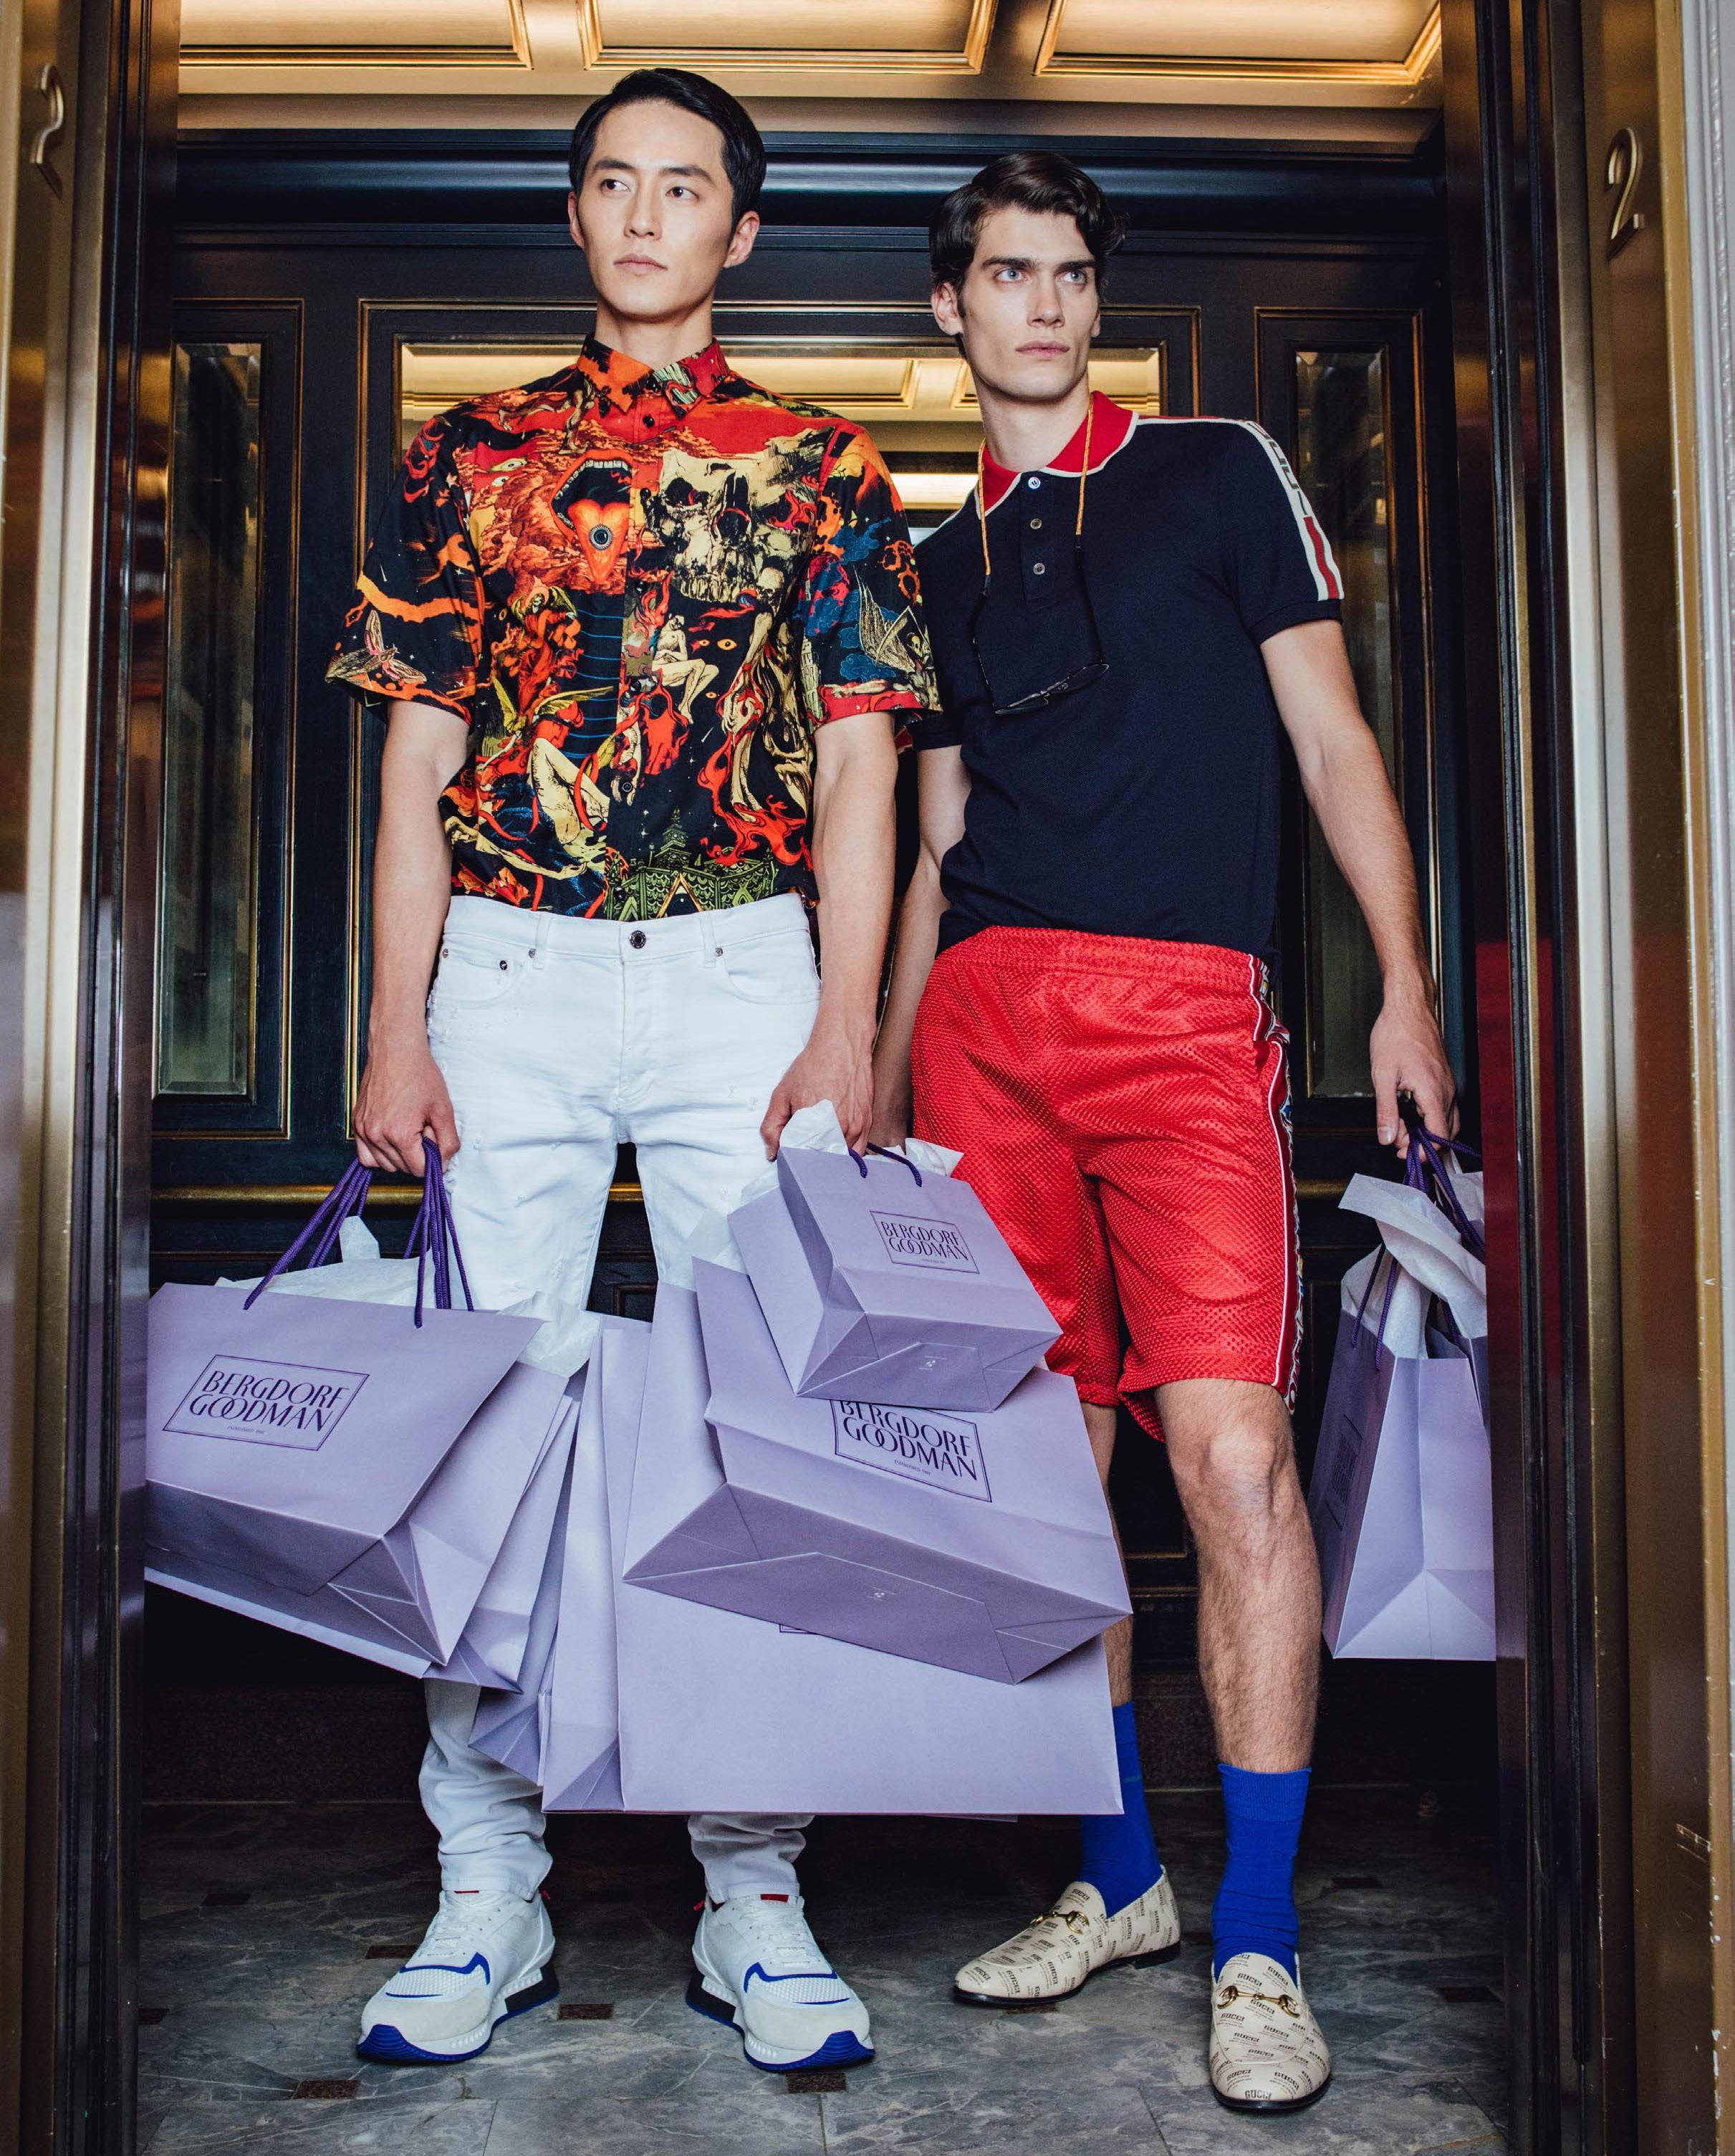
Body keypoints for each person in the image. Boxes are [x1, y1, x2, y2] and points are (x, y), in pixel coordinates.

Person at [327, 67, 933, 2075]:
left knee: (761, 1426)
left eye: (686, 187)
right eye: (615, 180)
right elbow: (417, 756)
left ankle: (753, 1890)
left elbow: (863, 762)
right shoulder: (466, 452)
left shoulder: (827, 463)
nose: (648, 212)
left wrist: (847, 1021)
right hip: (508, 967)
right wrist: (396, 1022)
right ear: (577, 213)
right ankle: (485, 1889)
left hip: (747, 967)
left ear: (739, 231)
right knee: (481, 1428)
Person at [870, 152, 1458, 2116]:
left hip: (1190, 1026)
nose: (1042, 303)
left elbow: (1332, 736)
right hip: (985, 1033)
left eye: (1070, 273)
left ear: (1095, 299)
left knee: (1233, 1459)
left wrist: (1402, 984)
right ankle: (1119, 1878)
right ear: (951, 307)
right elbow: (939, 848)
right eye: (1006, 274)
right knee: (1051, 1486)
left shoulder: (1217, 473)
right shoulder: (935, 570)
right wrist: (885, 1079)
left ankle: (1259, 1932)